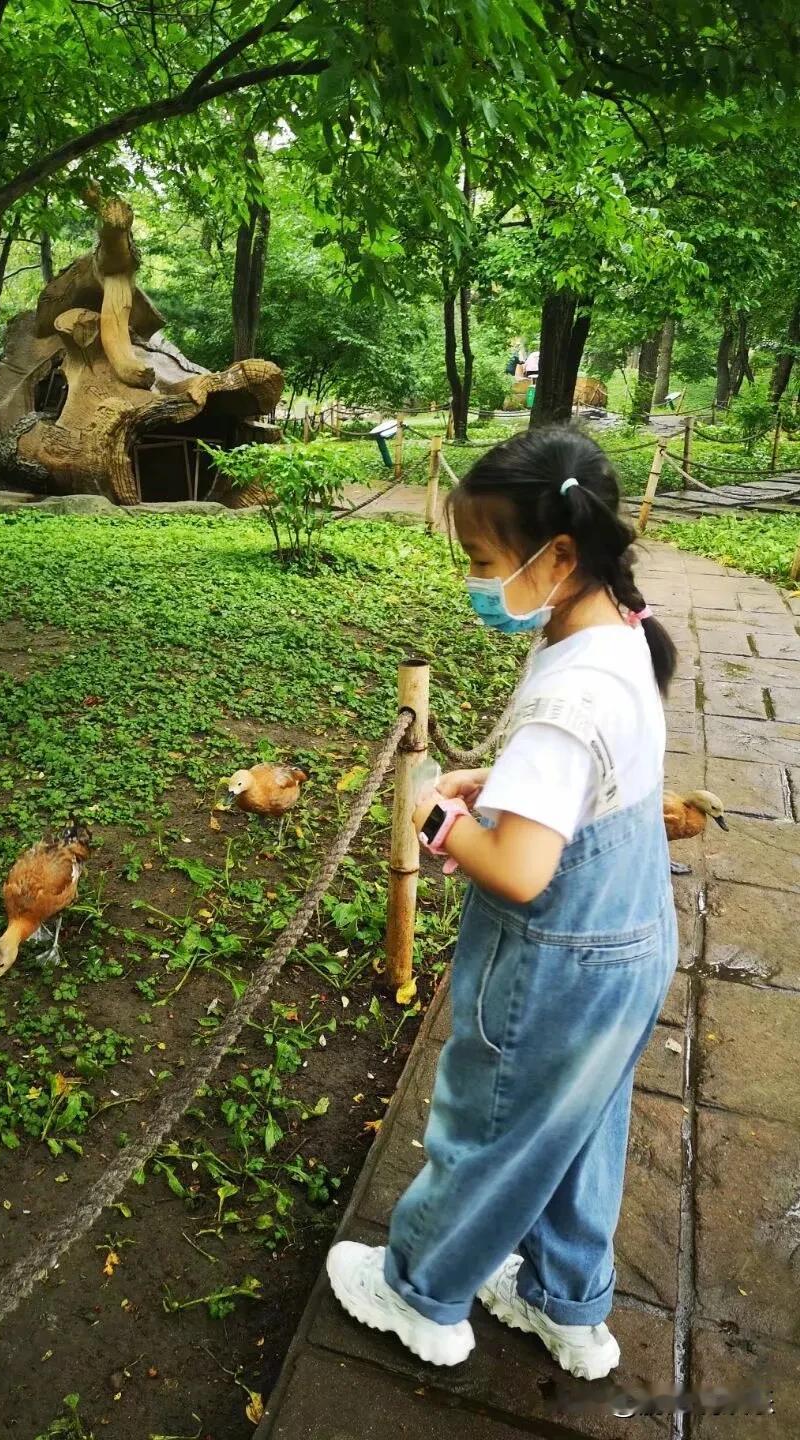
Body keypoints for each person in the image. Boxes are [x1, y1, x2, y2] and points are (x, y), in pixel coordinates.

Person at [326, 426, 679, 1382]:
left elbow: (521, 869)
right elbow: (590, 787)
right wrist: (501, 780)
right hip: (633, 939)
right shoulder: (626, 633)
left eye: (482, 561)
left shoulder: (571, 695)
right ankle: (567, 1307)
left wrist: (436, 814)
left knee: (489, 1123)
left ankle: (420, 1291)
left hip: (554, 963)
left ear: (557, 555)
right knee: (578, 1125)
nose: (473, 582)